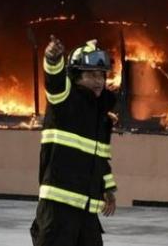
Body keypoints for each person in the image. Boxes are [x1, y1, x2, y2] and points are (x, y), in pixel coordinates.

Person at [30, 36, 118, 246]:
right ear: (77, 77)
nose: (99, 81)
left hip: (87, 209)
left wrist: (107, 189)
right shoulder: (65, 100)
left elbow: (98, 156)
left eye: (102, 75)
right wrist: (53, 60)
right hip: (58, 207)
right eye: (91, 75)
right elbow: (55, 80)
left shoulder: (100, 113)